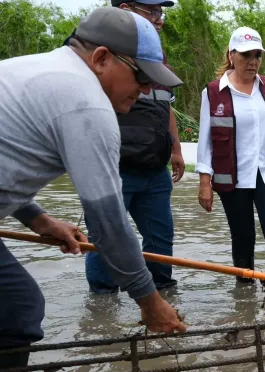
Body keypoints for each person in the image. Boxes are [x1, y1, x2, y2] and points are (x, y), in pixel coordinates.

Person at [0, 7, 187, 372]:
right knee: (18, 311)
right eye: (141, 76)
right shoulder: (86, 102)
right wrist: (149, 301)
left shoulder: (32, 70)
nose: (147, 91)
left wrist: (39, 220)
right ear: (101, 58)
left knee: (16, 307)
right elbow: (108, 222)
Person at [83, 0, 185, 295]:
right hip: (116, 167)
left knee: (161, 235)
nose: (160, 19)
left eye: (160, 13)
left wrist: (176, 149)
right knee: (108, 236)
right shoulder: (103, 56)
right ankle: (102, 304)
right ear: (125, 8)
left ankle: (160, 293)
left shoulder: (158, 60)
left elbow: (166, 108)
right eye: (151, 12)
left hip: (155, 168)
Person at [196, 27, 265, 283]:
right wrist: (204, 183)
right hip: (231, 176)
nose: (253, 62)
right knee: (242, 236)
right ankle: (244, 296)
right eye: (246, 55)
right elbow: (205, 142)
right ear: (231, 55)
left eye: (257, 55)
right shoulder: (212, 93)